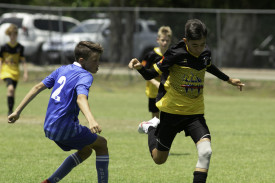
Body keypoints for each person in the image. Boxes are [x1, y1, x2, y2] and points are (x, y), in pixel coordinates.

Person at [128, 19, 245, 183]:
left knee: (206, 152)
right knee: (159, 159)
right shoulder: (174, 54)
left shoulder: (205, 52)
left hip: (195, 114)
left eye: (202, 44)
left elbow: (208, 65)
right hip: (171, 112)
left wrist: (228, 79)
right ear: (185, 41)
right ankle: (151, 128)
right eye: (195, 45)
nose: (199, 49)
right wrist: (140, 67)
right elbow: (150, 74)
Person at [8, 41, 109, 183]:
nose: (98, 64)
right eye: (95, 60)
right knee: (102, 144)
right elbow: (81, 98)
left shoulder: (62, 69)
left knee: (86, 151)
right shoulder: (85, 76)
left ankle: (49, 182)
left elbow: (37, 87)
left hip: (49, 127)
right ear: (82, 60)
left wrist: (17, 111)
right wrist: (91, 120)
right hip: (64, 127)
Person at [141, 26, 172, 119]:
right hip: (154, 92)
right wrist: (155, 83)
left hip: (168, 91)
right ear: (158, 40)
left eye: (167, 40)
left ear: (170, 41)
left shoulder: (172, 55)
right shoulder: (151, 55)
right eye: (162, 40)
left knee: (167, 118)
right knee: (155, 119)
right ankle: (154, 133)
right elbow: (144, 72)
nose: (165, 42)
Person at [0, 23, 28, 115]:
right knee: (10, 89)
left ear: (16, 35)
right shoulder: (4, 47)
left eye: (15, 34)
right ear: (9, 35)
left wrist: (25, 73)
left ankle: (11, 110)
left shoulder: (20, 47)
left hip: (15, 72)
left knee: (12, 92)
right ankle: (10, 111)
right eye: (11, 34)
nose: (13, 36)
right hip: (6, 71)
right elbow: (1, 61)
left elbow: (23, 62)